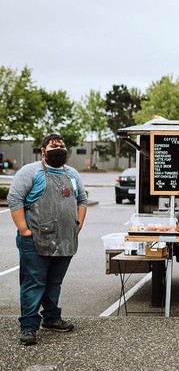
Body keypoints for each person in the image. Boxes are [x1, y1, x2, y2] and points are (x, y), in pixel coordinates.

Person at [7, 134, 88, 345]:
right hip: (35, 240)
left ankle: (51, 318)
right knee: (33, 284)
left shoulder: (72, 174)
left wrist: (77, 225)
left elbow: (82, 200)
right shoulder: (30, 171)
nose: (59, 148)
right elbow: (14, 198)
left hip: (65, 240)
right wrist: (24, 230)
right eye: (54, 145)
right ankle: (28, 327)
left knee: (54, 283)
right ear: (43, 150)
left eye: (62, 145)